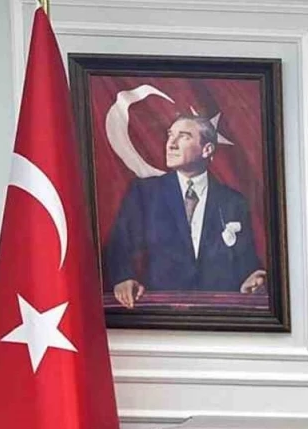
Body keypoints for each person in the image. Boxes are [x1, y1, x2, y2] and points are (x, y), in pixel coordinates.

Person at [103, 114, 266, 308]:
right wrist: (123, 278)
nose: (171, 144)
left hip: (217, 315)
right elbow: (119, 246)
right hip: (161, 314)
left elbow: (246, 260)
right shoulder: (145, 193)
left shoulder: (233, 201)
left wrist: (253, 278)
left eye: (184, 136)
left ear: (207, 149)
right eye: (170, 135)